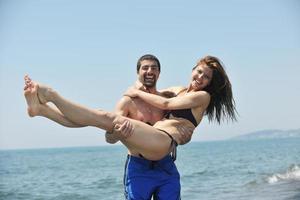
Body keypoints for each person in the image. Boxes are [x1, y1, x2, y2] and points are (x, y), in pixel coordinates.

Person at [24, 55, 237, 198]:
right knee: (99, 118)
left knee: (101, 117)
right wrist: (117, 132)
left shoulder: (202, 96)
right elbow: (110, 136)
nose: (200, 77)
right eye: (198, 71)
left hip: (163, 149)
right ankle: (42, 110)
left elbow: (166, 104)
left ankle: (51, 96)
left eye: (206, 76)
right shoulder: (176, 90)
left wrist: (135, 91)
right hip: (141, 161)